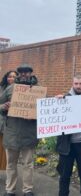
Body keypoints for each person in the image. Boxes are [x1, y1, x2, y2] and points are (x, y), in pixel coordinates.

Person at [0, 64, 38, 196]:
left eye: (26, 72)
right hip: (12, 133)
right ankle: (10, 189)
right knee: (11, 164)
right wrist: (3, 107)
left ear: (31, 74)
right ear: (18, 74)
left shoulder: (38, 90)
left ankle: (28, 190)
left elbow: (45, 108)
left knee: (28, 164)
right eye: (21, 72)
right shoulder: (10, 88)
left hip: (29, 132)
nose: (23, 74)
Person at [0, 71, 18, 170]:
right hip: (0, 122)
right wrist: (4, 106)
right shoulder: (1, 88)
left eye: (14, 77)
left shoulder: (20, 89)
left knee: (5, 154)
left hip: (10, 126)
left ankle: (7, 174)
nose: (11, 79)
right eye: (9, 76)